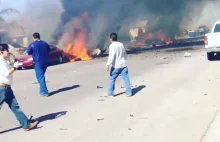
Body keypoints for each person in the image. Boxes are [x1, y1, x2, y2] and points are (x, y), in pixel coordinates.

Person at [0, 44, 38, 131]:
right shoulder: (1, 62)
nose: (8, 52)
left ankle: (26, 125)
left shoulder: (3, 60)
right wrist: (15, 67)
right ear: (1, 52)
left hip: (6, 88)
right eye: (7, 50)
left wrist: (13, 65)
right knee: (15, 107)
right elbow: (7, 73)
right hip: (2, 89)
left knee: (15, 107)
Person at [106, 33, 132, 97]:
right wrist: (124, 60)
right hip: (123, 65)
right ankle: (129, 93)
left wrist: (107, 65)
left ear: (111, 39)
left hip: (116, 66)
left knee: (112, 79)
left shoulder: (112, 46)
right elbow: (124, 54)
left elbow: (111, 56)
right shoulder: (121, 45)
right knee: (126, 79)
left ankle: (111, 93)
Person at [27, 33, 50, 97]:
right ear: (39, 37)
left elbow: (28, 52)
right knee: (41, 77)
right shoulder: (45, 43)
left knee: (40, 78)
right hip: (46, 63)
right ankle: (42, 91)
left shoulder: (32, 45)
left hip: (38, 63)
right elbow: (49, 50)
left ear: (33, 37)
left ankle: (45, 92)